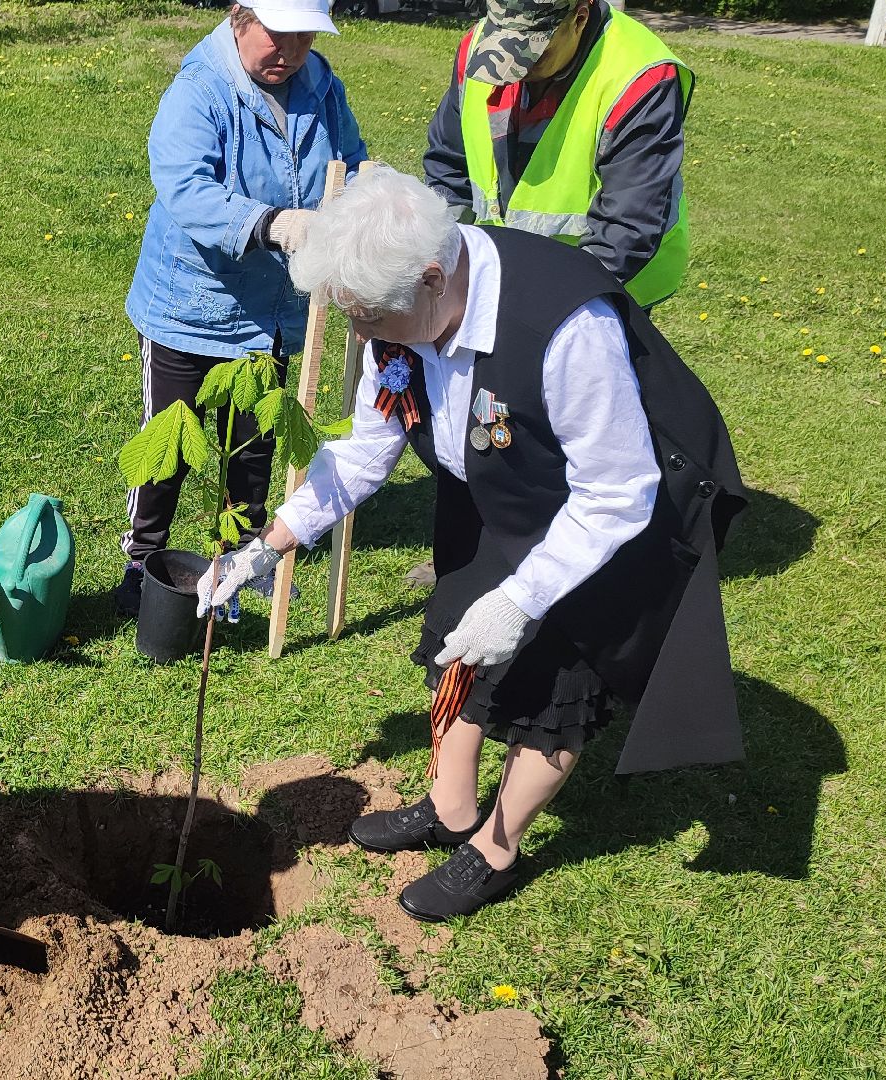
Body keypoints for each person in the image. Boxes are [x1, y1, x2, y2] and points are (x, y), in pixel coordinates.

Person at [198, 166, 745, 921]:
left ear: (432, 278)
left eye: (371, 322)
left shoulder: (563, 325)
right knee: (457, 636)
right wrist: (269, 544)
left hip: (607, 515)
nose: (362, 338)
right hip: (497, 490)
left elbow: (618, 492)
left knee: (555, 687)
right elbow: (365, 449)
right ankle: (450, 808)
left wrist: (522, 598)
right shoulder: (397, 316)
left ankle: (495, 847)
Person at [116, 0, 370, 618]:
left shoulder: (319, 83)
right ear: (240, 19)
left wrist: (365, 202)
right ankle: (142, 564)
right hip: (193, 305)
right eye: (275, 36)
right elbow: (183, 185)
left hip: (274, 311)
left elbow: (352, 158)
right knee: (167, 447)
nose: (288, 51)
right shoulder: (201, 87)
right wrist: (271, 222)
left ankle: (240, 566)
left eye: (302, 36)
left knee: (255, 445)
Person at [423, 0, 693, 310]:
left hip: (601, 290)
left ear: (579, 18)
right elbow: (448, 170)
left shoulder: (638, 75)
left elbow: (626, 228)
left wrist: (541, 312)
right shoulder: (479, 46)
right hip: (502, 282)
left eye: (533, 52)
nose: (514, 69)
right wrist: (445, 270)